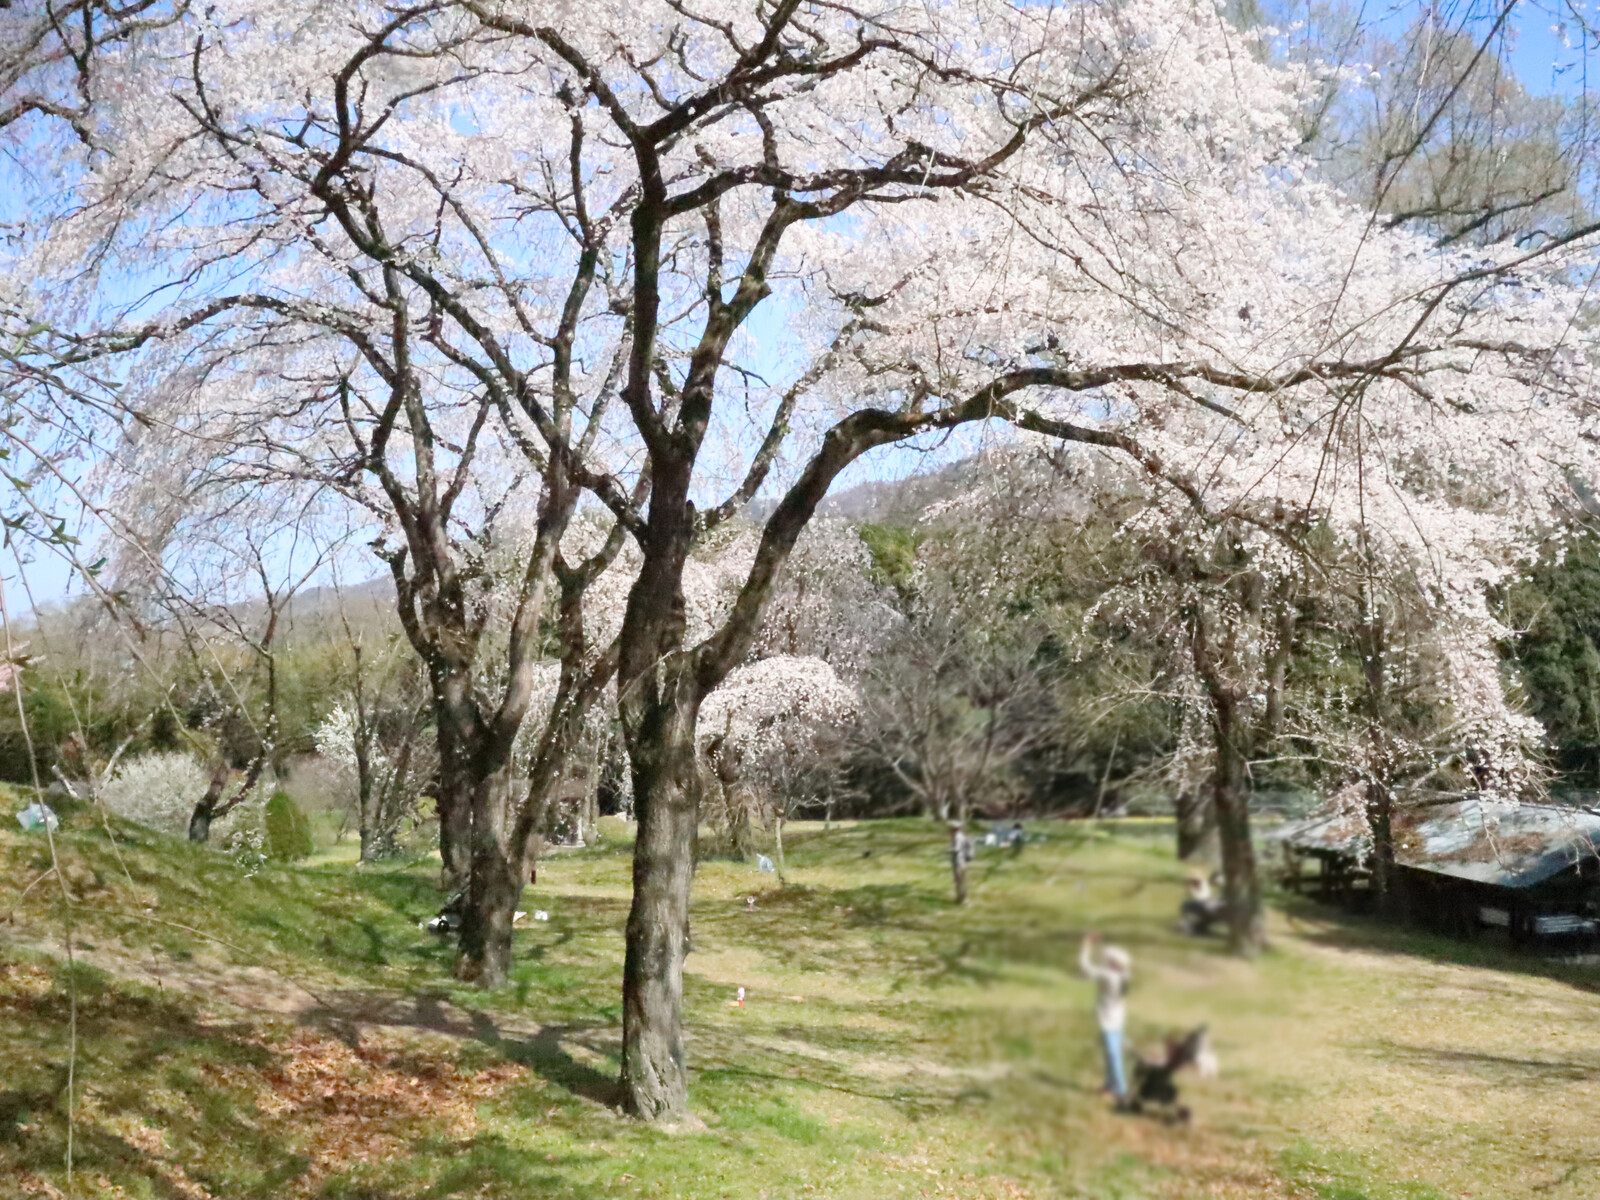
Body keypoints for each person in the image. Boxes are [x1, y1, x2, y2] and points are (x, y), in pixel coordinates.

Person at [1080, 932, 1131, 1105]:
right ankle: (1110, 1085)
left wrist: (1087, 945)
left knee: (1113, 1054)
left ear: (1114, 963)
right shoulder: (1124, 976)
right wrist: (1101, 944)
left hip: (1108, 1020)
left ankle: (1121, 1090)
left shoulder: (1108, 976)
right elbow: (1108, 958)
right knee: (1112, 1054)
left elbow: (1085, 966)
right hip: (1118, 1019)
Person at [1179, 870, 1227, 935]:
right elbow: (1198, 897)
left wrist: (1212, 900)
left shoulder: (1204, 885)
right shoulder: (1193, 888)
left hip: (1211, 906)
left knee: (1186, 905)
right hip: (1207, 905)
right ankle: (1192, 925)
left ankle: (1191, 925)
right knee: (1187, 905)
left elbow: (1205, 896)